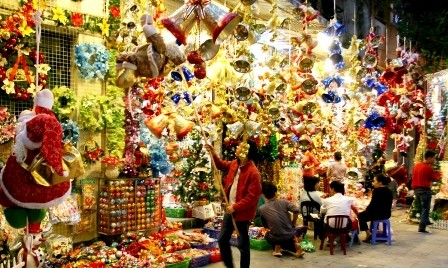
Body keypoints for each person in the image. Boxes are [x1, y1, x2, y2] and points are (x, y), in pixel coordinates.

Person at [0, 89, 71, 234]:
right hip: (35, 189)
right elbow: (52, 154)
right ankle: (29, 218)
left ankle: (27, 220)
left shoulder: (24, 138)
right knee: (30, 212)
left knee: (21, 213)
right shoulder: (44, 132)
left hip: (19, 191)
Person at [205, 140, 261, 268]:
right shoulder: (235, 164)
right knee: (222, 239)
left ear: (246, 151)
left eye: (240, 146)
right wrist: (213, 153)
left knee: (242, 244)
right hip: (229, 211)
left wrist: (235, 206)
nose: (237, 148)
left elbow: (252, 197)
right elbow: (221, 165)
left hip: (242, 214)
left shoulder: (253, 173)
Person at [259, 182, 305, 258]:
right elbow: (296, 210)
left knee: (267, 235)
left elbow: (266, 226)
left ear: (263, 194)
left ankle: (277, 248)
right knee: (288, 238)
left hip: (277, 237)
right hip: (290, 235)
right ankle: (296, 246)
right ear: (275, 193)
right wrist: (293, 222)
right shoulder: (284, 202)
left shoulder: (262, 209)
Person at [411, 150, 441, 234]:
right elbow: (434, 178)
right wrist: (438, 175)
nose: (434, 160)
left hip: (416, 189)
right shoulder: (429, 168)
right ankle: (422, 228)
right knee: (425, 209)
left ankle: (426, 221)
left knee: (422, 207)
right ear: (429, 158)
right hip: (424, 190)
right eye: (434, 158)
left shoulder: (416, 165)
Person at [358, 173, 393, 242]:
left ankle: (368, 234)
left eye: (374, 181)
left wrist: (366, 209)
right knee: (365, 214)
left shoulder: (377, 191)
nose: (373, 183)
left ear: (380, 182)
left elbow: (373, 205)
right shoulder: (389, 191)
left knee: (361, 215)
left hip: (378, 214)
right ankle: (371, 233)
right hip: (387, 213)